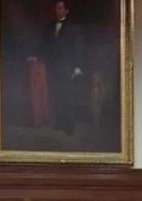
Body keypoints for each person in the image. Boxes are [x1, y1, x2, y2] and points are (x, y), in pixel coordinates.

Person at [37, 0, 83, 135]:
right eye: (56, 8)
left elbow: (78, 47)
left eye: (60, 8)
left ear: (66, 11)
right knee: (56, 94)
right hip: (52, 66)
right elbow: (45, 46)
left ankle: (69, 126)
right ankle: (59, 123)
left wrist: (77, 67)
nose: (57, 10)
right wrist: (38, 57)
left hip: (67, 66)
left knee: (68, 96)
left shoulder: (73, 27)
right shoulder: (50, 27)